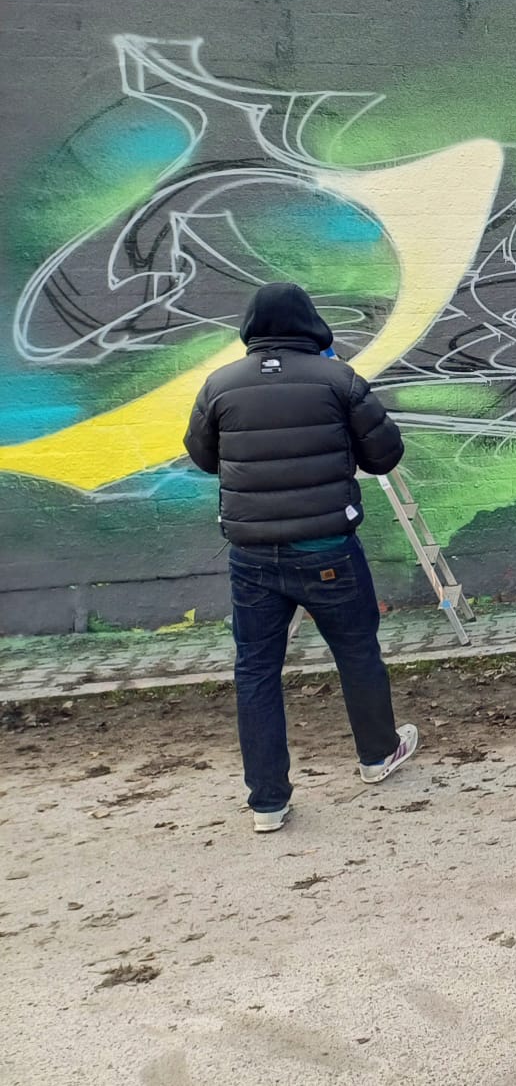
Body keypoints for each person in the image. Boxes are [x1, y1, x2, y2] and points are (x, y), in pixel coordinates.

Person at [183, 283, 419, 832]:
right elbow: (385, 455)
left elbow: (202, 457)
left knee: (256, 670)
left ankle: (268, 802)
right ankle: (377, 755)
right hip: (327, 549)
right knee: (356, 651)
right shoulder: (338, 379)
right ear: (311, 323)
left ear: (251, 327)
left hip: (252, 557)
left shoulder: (220, 384)